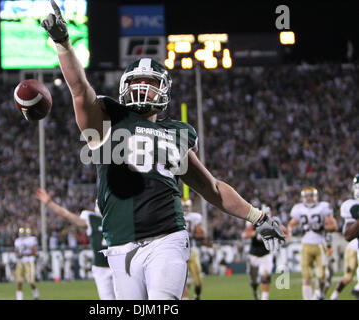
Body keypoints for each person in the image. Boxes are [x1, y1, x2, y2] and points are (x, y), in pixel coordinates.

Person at [40, 0, 286, 300]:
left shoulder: (176, 132)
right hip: (120, 243)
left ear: (164, 90)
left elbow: (213, 189)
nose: (142, 87)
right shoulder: (108, 119)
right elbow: (79, 88)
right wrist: (63, 43)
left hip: (167, 236)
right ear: (124, 87)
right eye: (136, 81)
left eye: (149, 82)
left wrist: (258, 217)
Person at [36, 188, 116, 300]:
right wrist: (50, 203)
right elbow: (67, 215)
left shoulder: (118, 218)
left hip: (118, 264)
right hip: (101, 268)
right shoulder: (92, 219)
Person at [287, 187, 338, 300]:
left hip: (320, 244)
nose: (309, 198)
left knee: (322, 276)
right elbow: (291, 224)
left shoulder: (323, 207)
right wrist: (289, 232)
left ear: (315, 197)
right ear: (303, 198)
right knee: (306, 276)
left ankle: (317, 296)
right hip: (306, 244)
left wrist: (322, 227)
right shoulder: (298, 209)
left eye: (311, 196)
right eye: (306, 196)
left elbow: (334, 226)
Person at [242, 202, 286, 300]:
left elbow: (284, 232)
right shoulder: (252, 220)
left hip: (266, 255)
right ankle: (255, 290)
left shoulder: (274, 221)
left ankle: (264, 298)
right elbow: (244, 235)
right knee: (254, 282)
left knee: (265, 276)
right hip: (253, 255)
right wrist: (256, 232)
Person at [331, 174, 359, 299]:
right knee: (347, 277)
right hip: (353, 247)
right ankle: (334, 296)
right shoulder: (351, 205)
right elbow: (348, 235)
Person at [181, 198, 205, 300]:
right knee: (182, 279)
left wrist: (193, 235)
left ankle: (197, 296)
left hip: (192, 250)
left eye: (187, 206)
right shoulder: (174, 215)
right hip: (179, 251)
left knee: (198, 280)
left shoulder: (194, 217)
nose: (185, 209)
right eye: (184, 206)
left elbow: (202, 235)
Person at [14, 227, 39, 300]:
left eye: (24, 233)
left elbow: (34, 252)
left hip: (29, 262)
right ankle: (19, 298)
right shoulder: (17, 241)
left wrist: (24, 255)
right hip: (20, 262)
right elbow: (16, 251)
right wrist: (17, 254)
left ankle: (36, 295)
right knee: (19, 281)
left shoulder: (31, 239)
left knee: (31, 281)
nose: (23, 235)